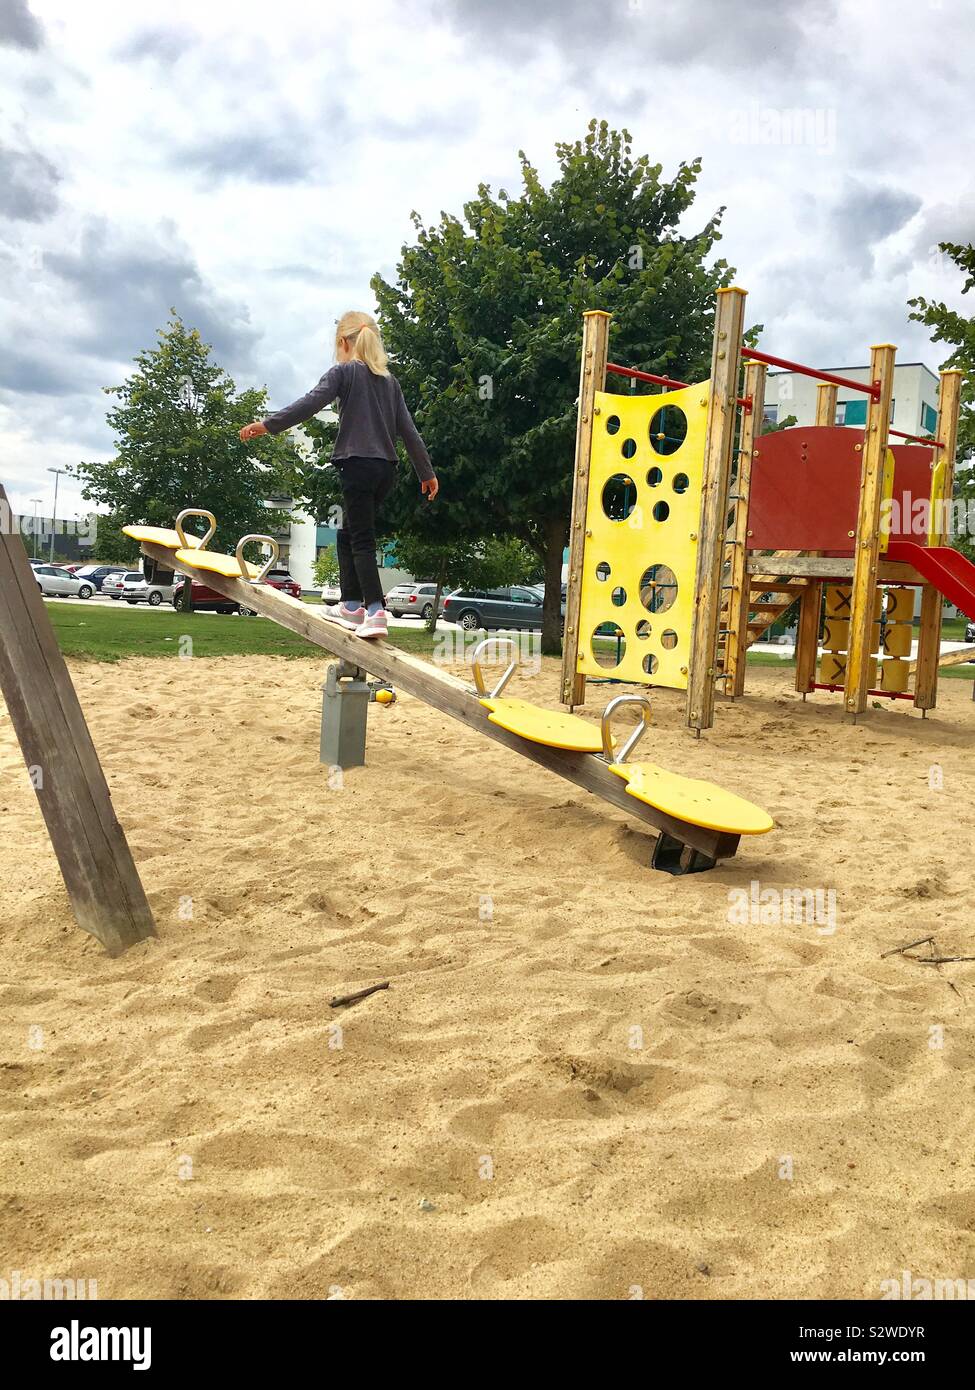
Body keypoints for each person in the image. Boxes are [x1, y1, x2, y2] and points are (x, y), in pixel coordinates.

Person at [239, 310, 437, 639]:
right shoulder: (390, 383)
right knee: (348, 534)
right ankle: (351, 605)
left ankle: (375, 612)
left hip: (357, 465)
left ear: (343, 342)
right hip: (385, 471)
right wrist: (426, 472)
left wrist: (268, 425)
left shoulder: (344, 373)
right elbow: (409, 431)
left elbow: (310, 403)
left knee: (361, 539)